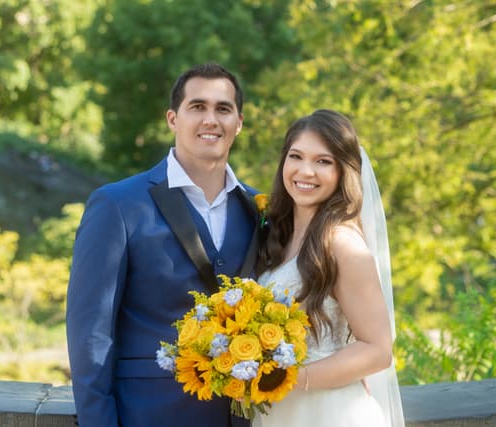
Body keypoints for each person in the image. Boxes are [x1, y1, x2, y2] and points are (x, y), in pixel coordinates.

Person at [66, 63, 259, 427]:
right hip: (148, 414)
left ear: (239, 122)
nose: (211, 120)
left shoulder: (259, 208)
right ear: (173, 119)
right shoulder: (117, 205)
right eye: (197, 107)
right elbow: (90, 333)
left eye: (223, 109)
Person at [254, 109, 405, 427]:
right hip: (280, 412)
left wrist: (289, 378)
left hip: (329, 412)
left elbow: (378, 350)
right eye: (296, 156)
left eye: (323, 161)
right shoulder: (278, 234)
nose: (305, 171)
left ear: (343, 172)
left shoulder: (343, 243)